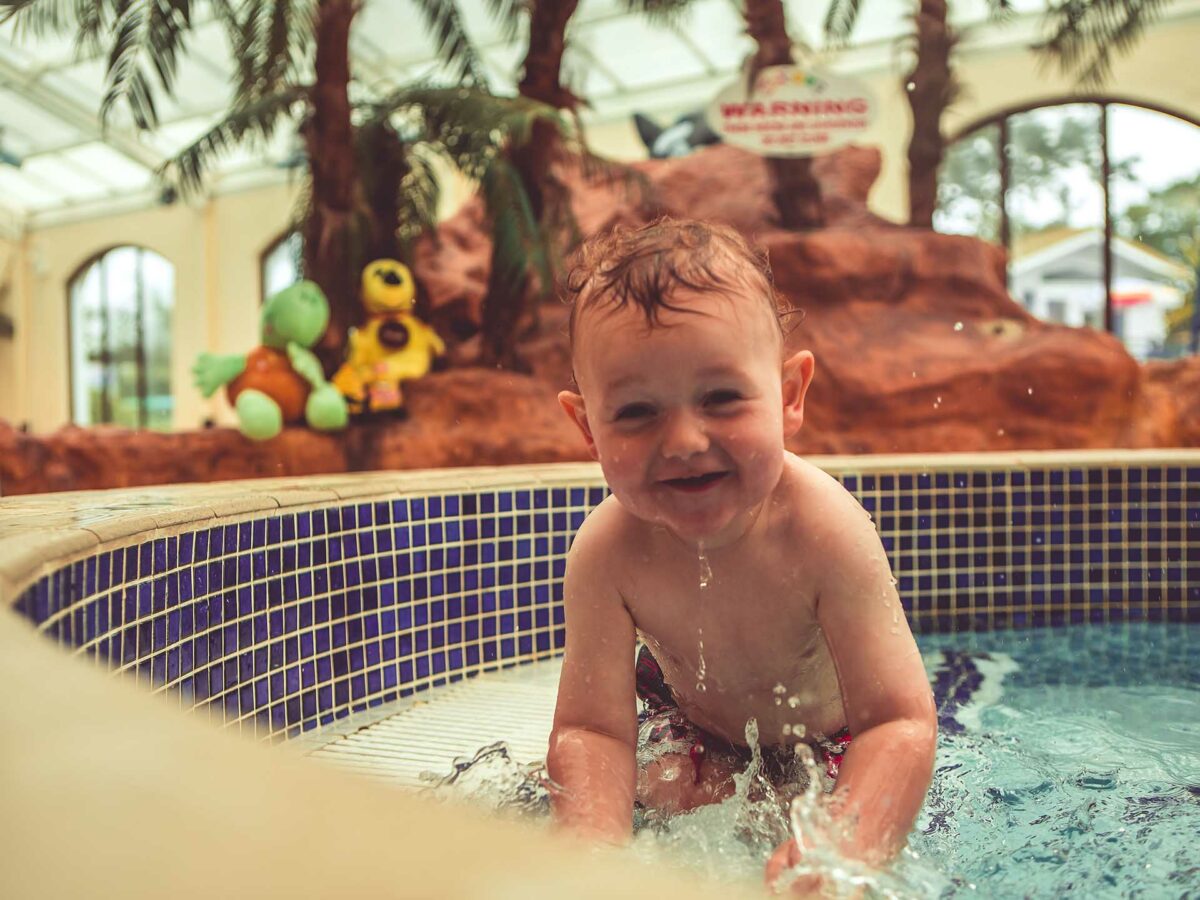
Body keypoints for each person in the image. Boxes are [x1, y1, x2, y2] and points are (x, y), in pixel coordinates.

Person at [545, 217, 937, 890]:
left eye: (722, 398)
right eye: (637, 412)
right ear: (587, 426)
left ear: (789, 396)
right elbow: (593, 730)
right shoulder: (605, 552)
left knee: (802, 834)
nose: (686, 440)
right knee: (665, 787)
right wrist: (591, 858)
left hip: (833, 742)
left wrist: (846, 840)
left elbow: (899, 721)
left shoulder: (825, 531)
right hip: (700, 733)